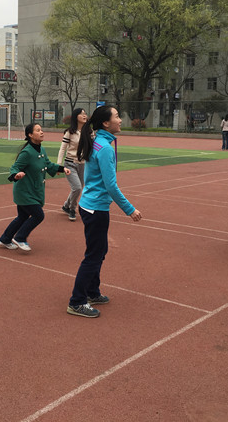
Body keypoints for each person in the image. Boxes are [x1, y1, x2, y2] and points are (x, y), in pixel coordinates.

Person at [67, 105, 142, 318]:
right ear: (106, 123)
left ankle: (92, 292)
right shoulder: (105, 147)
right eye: (117, 116)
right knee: (94, 255)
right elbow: (111, 186)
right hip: (95, 209)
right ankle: (77, 301)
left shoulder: (97, 141)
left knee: (99, 251)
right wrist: (130, 209)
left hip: (90, 206)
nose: (120, 119)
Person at [0, 123, 69, 251]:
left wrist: (62, 169)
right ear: (30, 135)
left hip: (33, 190)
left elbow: (48, 164)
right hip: (25, 192)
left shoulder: (41, 149)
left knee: (22, 217)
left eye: (41, 130)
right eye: (38, 130)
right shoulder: (27, 152)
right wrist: (16, 175)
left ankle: (5, 239)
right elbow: (15, 167)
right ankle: (20, 238)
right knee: (38, 215)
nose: (41, 132)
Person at [57, 108, 88, 221]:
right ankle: (72, 209)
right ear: (76, 116)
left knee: (78, 188)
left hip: (83, 164)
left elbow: (93, 147)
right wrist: (59, 166)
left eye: (85, 114)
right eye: (81, 114)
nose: (84, 116)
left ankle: (66, 205)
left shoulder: (89, 132)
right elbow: (62, 149)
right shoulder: (69, 132)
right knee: (77, 187)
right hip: (70, 164)